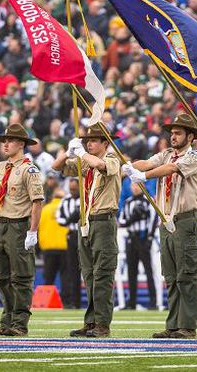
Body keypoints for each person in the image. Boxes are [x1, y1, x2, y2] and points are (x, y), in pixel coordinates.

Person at [126, 113, 197, 339]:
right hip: (166, 219)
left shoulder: (194, 156)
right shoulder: (167, 154)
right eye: (172, 133)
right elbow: (149, 163)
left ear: (190, 136)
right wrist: (129, 166)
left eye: (178, 133)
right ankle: (173, 324)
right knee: (170, 275)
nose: (173, 136)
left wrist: (144, 175)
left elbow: (171, 170)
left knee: (187, 274)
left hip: (185, 219)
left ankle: (187, 326)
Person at [52, 123, 122, 338]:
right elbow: (56, 167)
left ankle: (102, 324)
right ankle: (90, 322)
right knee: (89, 274)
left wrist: (81, 153)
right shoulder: (84, 161)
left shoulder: (112, 159)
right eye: (86, 141)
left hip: (103, 220)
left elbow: (101, 165)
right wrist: (67, 152)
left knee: (102, 273)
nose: (88, 144)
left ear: (105, 143)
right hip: (86, 221)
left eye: (93, 141)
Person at [0, 123, 44, 337]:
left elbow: (37, 202)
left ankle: (20, 323)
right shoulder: (2, 167)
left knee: (21, 276)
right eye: (4, 141)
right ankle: (7, 320)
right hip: (2, 224)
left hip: (19, 225)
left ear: (21, 144)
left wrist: (32, 232)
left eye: (10, 140)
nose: (5, 144)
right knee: (2, 276)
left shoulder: (29, 169)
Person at [118, 182, 157, 311]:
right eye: (133, 186)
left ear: (143, 187)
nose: (134, 188)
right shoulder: (128, 202)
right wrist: (132, 219)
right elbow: (121, 221)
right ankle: (132, 302)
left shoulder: (148, 201)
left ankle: (153, 302)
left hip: (143, 237)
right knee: (131, 271)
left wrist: (149, 238)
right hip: (131, 238)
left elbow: (153, 219)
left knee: (148, 271)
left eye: (137, 186)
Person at [55, 177, 82, 309]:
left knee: (87, 269)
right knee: (72, 269)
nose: (73, 190)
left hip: (84, 235)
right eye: (71, 189)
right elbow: (59, 218)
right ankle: (73, 302)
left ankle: (87, 302)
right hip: (71, 235)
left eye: (75, 188)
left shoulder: (84, 198)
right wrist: (69, 219)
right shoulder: (65, 200)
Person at [38, 187, 68, 287]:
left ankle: (47, 301)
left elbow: (38, 228)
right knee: (66, 279)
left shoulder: (44, 210)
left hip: (48, 248)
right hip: (65, 248)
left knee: (48, 279)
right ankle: (66, 302)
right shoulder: (68, 209)